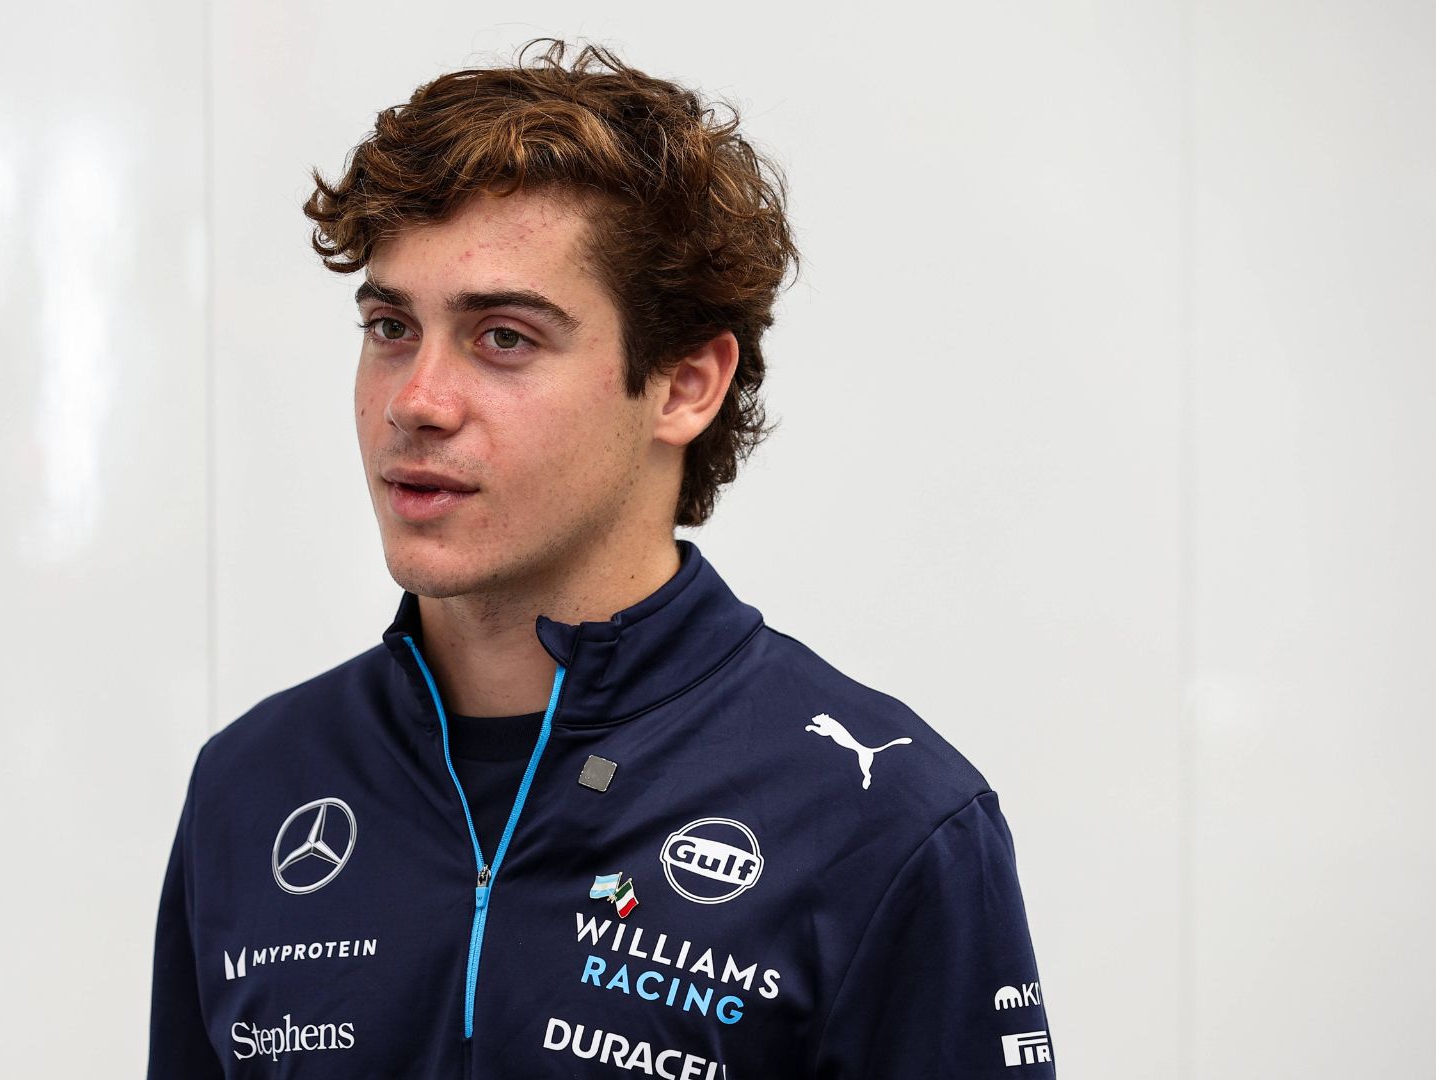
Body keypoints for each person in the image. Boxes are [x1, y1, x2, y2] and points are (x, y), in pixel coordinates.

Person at [148, 38, 1054, 1079]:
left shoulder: (885, 823)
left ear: (683, 385)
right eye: (392, 326)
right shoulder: (253, 783)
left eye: (504, 339)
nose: (416, 400)